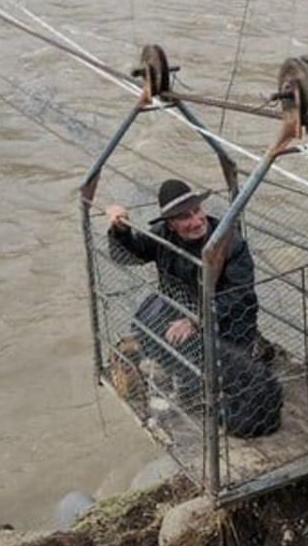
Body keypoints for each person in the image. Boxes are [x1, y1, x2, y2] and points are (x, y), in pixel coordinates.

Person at [107, 179, 280, 437]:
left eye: (197, 210)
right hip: (181, 309)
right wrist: (120, 228)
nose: (196, 220)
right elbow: (127, 256)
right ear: (170, 224)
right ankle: (187, 376)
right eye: (184, 216)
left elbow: (239, 296)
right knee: (145, 327)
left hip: (226, 321)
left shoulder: (229, 243)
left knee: (217, 372)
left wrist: (195, 320)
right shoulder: (162, 235)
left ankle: (222, 368)